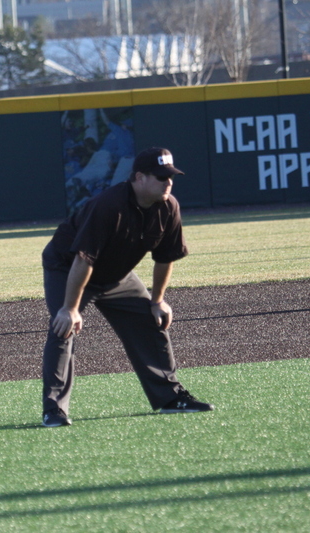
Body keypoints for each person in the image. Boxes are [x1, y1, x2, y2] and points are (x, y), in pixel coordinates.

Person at [41, 147, 213, 427]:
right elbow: (84, 259)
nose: (168, 182)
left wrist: (157, 300)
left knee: (149, 320)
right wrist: (70, 308)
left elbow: (165, 257)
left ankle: (170, 398)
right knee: (63, 327)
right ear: (139, 178)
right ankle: (54, 409)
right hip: (68, 267)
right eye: (161, 177)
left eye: (171, 176)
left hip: (116, 274)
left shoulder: (168, 207)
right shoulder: (108, 205)